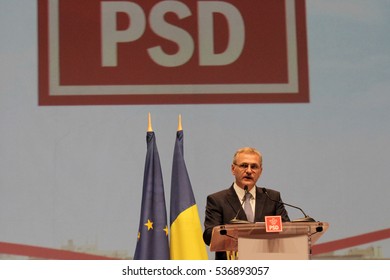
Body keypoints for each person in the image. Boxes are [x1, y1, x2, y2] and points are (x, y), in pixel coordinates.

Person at [203, 147, 290, 260]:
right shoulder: (217, 200)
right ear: (233, 169)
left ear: (260, 171)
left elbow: (288, 232)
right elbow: (209, 236)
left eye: (254, 167)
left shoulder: (272, 198)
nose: (249, 171)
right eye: (244, 165)